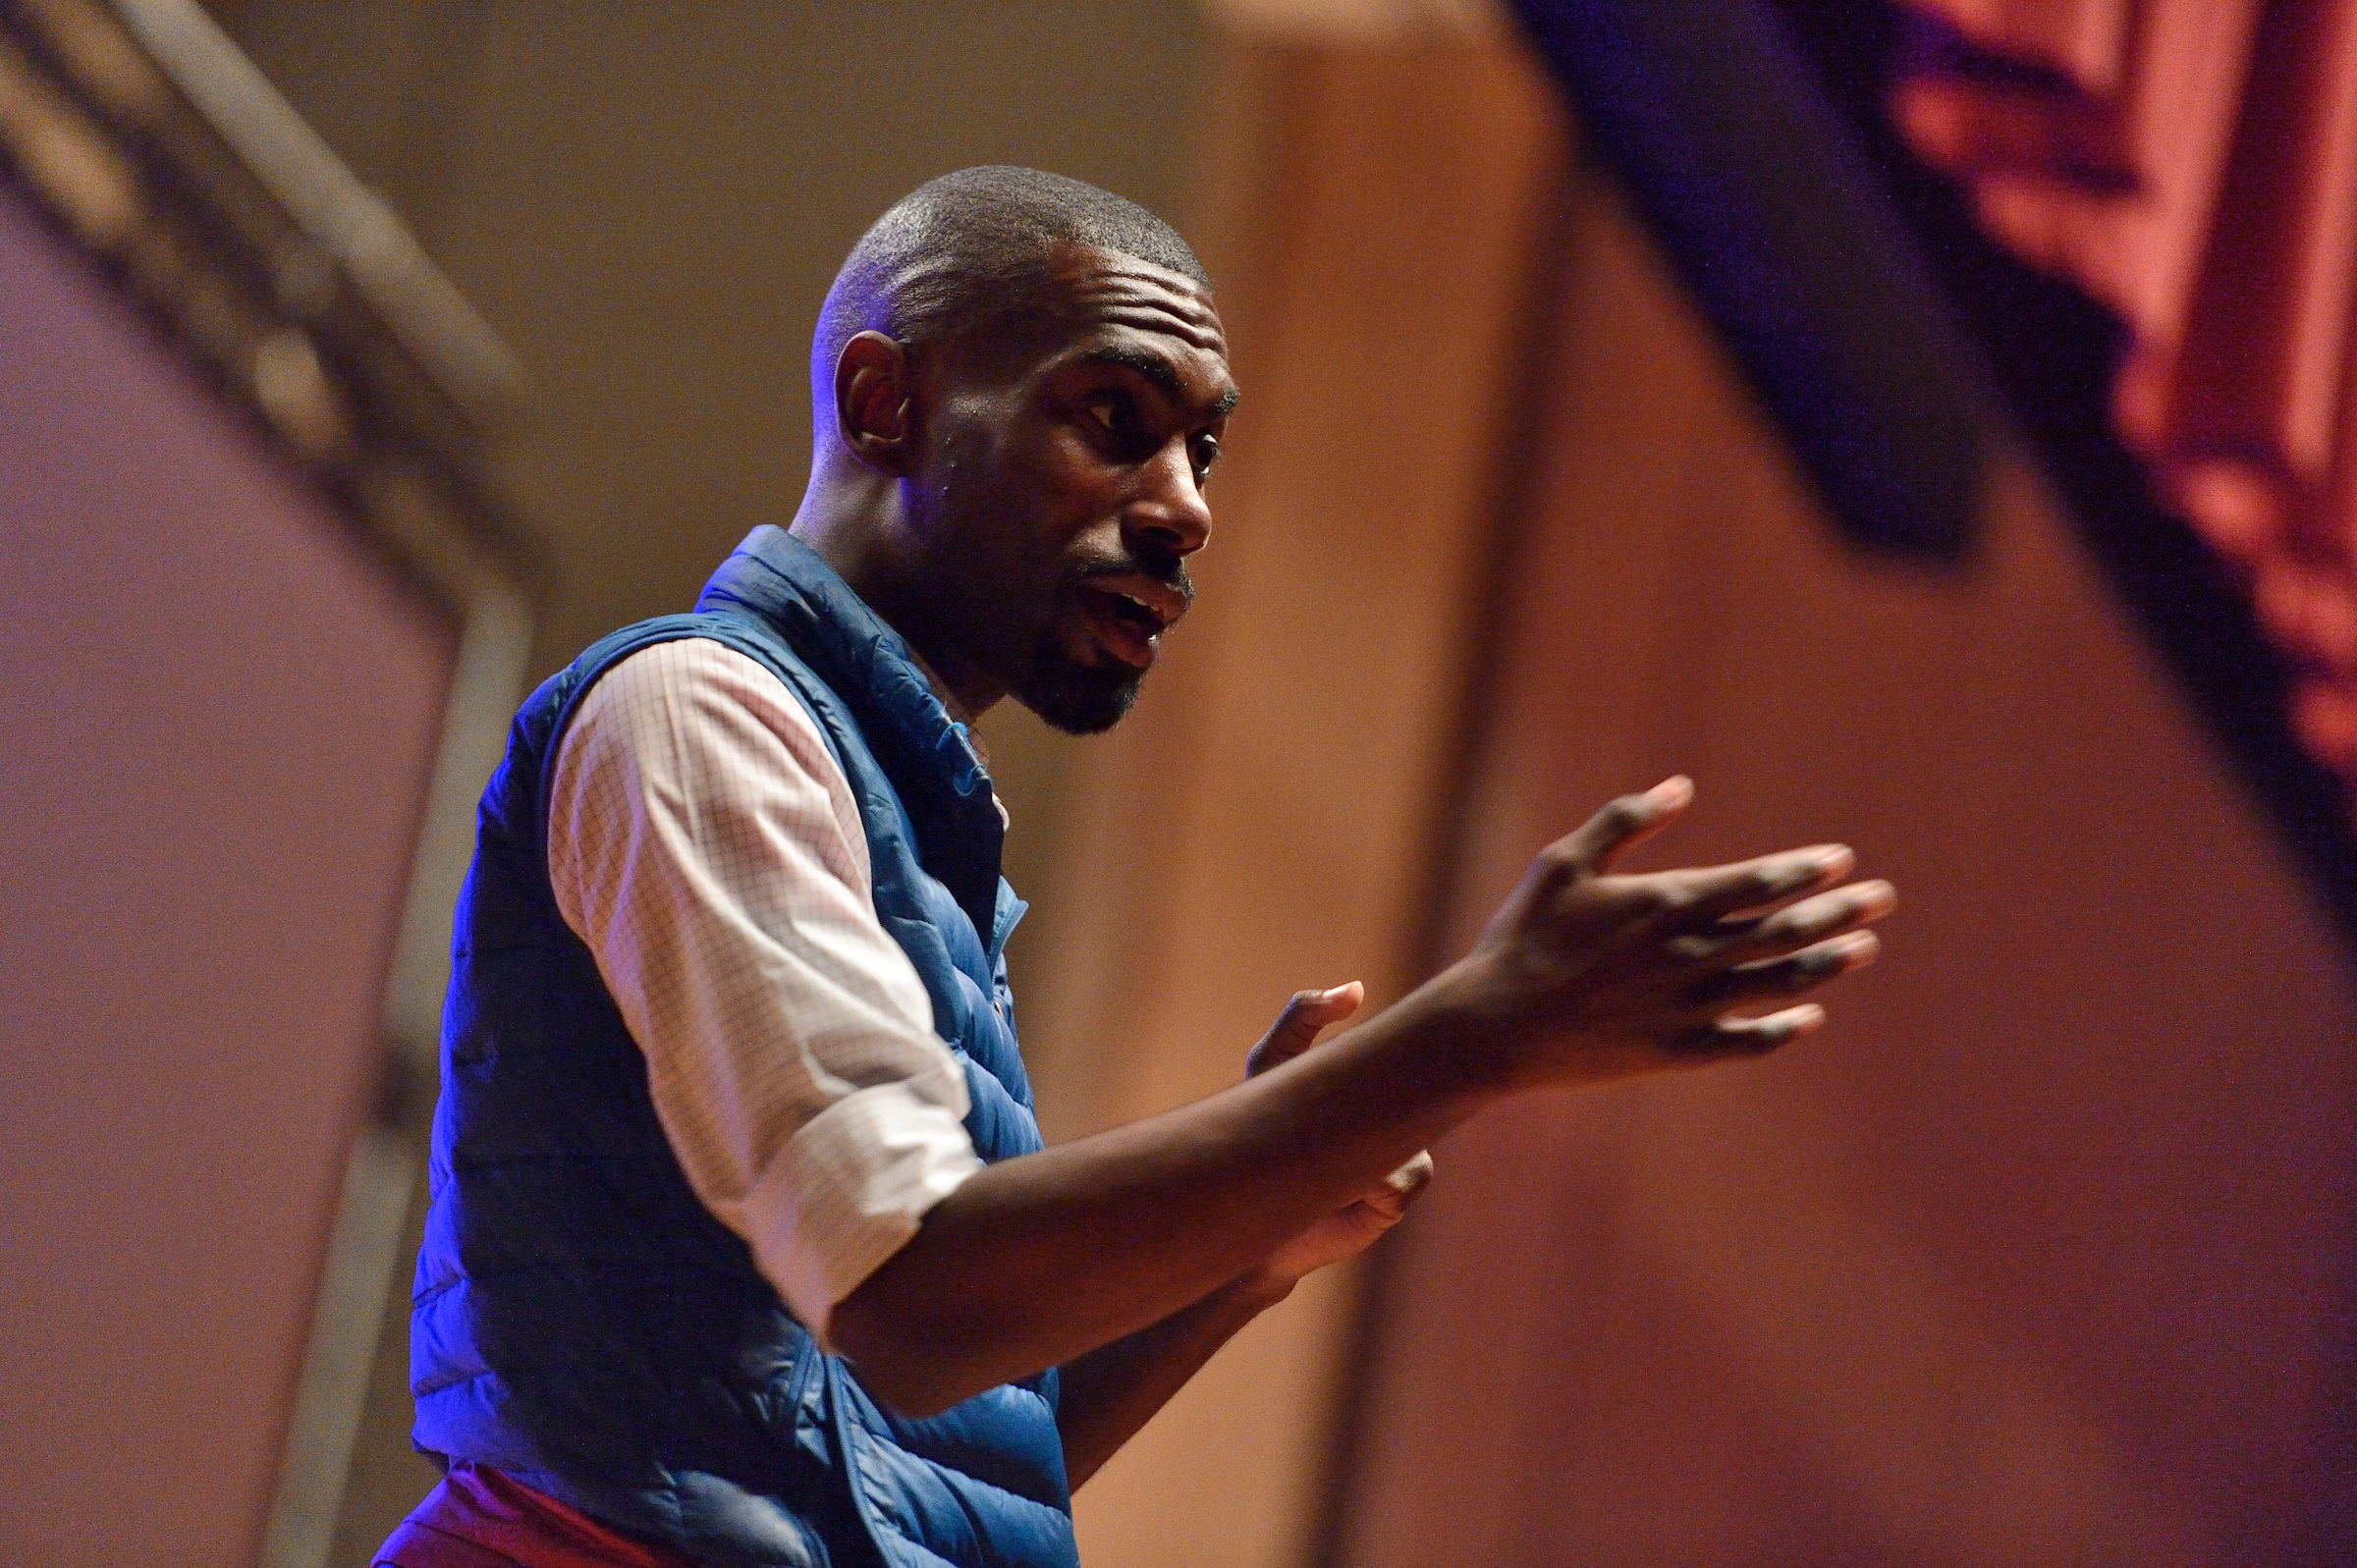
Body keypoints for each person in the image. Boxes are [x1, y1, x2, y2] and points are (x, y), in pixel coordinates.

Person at [375, 167, 1895, 1568]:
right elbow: (920, 1299)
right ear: (883, 397)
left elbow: (905, 1451)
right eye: (1114, 417)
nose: (1187, 504)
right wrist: (1473, 1032)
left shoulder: (896, 820)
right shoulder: (700, 717)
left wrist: (1244, 1254)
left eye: (1205, 444)